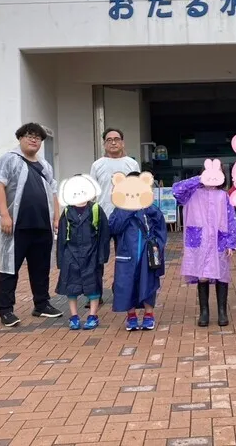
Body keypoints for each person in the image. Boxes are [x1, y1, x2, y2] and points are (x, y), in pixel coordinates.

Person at [0, 123, 63, 327]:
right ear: (20, 138)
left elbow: (54, 192)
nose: (34, 140)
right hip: (16, 226)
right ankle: (5, 309)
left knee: (41, 268)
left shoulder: (45, 165)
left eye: (38, 138)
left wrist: (57, 218)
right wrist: (4, 214)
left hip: (42, 226)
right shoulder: (9, 159)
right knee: (9, 268)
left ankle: (42, 304)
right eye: (29, 136)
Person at [173, 163, 236, 327]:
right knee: (202, 274)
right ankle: (204, 312)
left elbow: (231, 221)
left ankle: (222, 312)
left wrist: (231, 242)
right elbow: (176, 190)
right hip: (199, 241)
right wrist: (199, 179)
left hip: (219, 240)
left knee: (221, 275)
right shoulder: (192, 193)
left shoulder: (224, 196)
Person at [107, 171, 167, 331]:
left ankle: (149, 315)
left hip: (147, 254)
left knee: (149, 283)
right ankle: (131, 315)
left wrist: (158, 246)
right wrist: (128, 210)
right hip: (126, 255)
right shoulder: (119, 209)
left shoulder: (151, 209)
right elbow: (113, 227)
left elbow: (161, 229)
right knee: (127, 284)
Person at [89, 127, 140, 307]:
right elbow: (92, 193)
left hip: (126, 217)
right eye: (109, 139)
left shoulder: (131, 164)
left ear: (122, 142)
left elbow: (137, 190)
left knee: (124, 256)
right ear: (104, 144)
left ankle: (121, 290)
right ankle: (95, 294)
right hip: (102, 216)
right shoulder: (97, 165)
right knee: (97, 258)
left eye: (116, 139)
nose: (113, 142)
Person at [55, 178, 111, 330]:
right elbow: (61, 238)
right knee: (71, 287)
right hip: (71, 255)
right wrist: (61, 259)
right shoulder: (67, 211)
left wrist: (102, 256)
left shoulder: (96, 209)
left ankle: (93, 315)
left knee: (93, 286)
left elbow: (104, 235)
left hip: (91, 254)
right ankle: (74, 316)